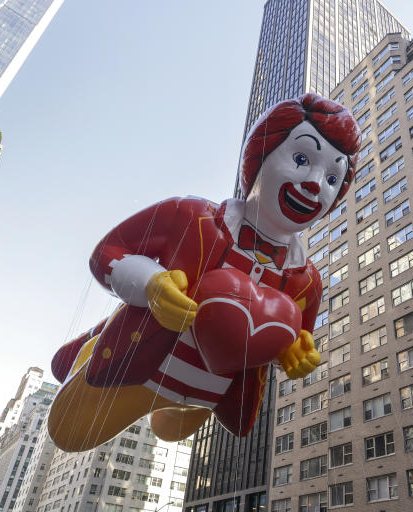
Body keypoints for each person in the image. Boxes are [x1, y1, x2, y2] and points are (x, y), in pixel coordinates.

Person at [48, 93, 361, 453]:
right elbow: (107, 253)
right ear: (261, 154)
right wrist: (151, 284)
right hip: (139, 370)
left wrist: (294, 355)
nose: (315, 183)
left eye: (333, 177)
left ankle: (179, 398)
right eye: (302, 159)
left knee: (169, 431)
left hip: (208, 399)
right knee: (68, 433)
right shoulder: (190, 216)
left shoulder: (308, 282)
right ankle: (93, 343)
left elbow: (294, 339)